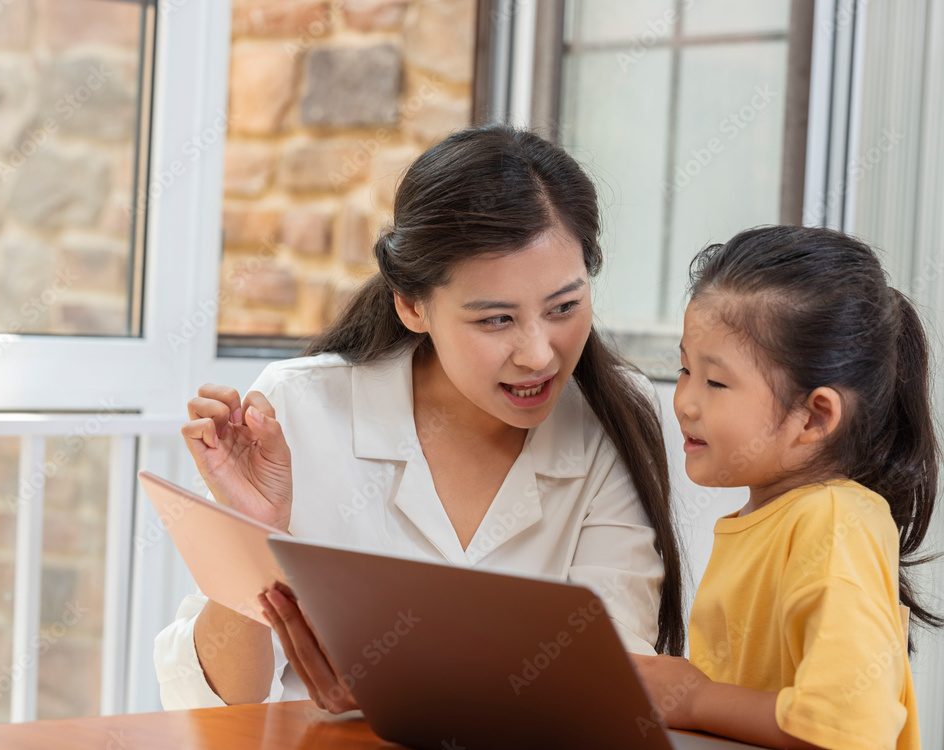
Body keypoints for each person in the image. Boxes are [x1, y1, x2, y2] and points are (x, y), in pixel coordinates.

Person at [154, 125, 684, 713]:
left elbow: (613, 679)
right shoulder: (297, 410)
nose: (539, 353)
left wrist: (405, 694)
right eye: (495, 320)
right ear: (412, 305)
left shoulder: (609, 420)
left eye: (564, 307)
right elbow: (219, 706)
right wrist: (251, 537)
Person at [635, 225, 940, 749]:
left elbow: (849, 729)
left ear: (814, 417)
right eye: (684, 369)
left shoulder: (836, 522)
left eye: (715, 382)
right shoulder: (778, 519)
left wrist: (694, 698)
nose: (684, 400)